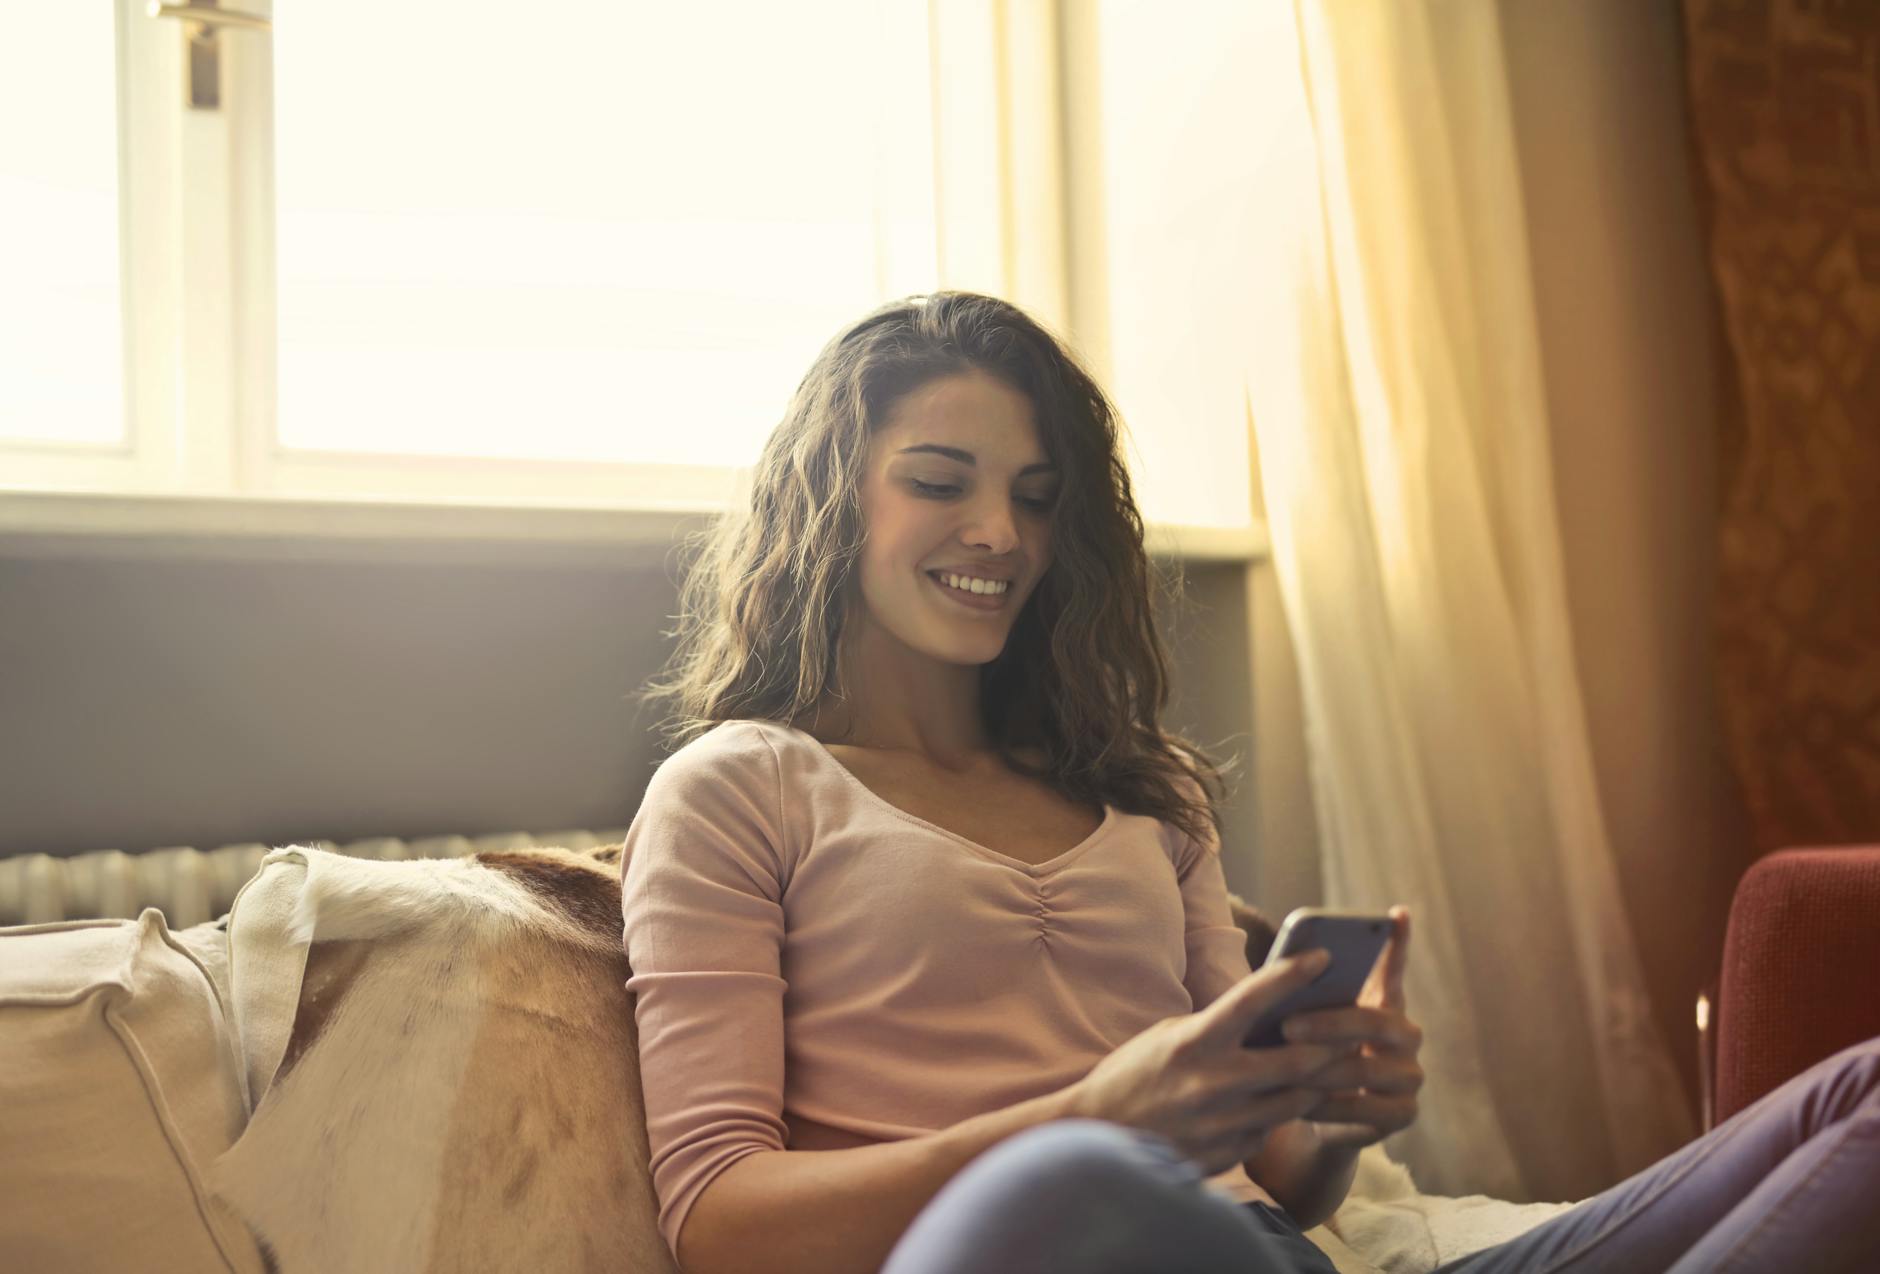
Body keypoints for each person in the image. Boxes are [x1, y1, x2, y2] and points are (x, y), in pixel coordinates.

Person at [620, 291, 1880, 1274]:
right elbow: (723, 1225)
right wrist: (1095, 1115)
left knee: (1861, 1085)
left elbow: (1275, 1178)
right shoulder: (739, 788)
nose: (998, 534)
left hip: (1249, 1250)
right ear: (832, 496)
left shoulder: (1143, 795)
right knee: (1075, 1180)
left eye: (1036, 498)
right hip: (1020, 1237)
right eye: (940, 482)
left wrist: (1328, 1109)